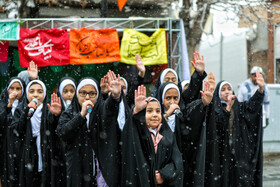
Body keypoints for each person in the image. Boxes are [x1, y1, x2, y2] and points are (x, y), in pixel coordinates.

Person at [56, 71, 122, 187]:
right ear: (77, 94)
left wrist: (115, 96)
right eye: (83, 93)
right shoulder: (69, 112)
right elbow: (63, 132)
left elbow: (110, 110)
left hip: (100, 170)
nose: (87, 97)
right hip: (77, 169)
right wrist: (81, 115)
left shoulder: (101, 109)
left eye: (92, 93)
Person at [204, 72, 265, 187]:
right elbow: (217, 126)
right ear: (218, 93)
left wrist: (260, 89)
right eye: (223, 89)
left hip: (237, 154)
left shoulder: (239, 107)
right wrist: (227, 108)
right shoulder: (213, 108)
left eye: (229, 89)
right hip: (220, 154)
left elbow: (252, 107)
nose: (227, 92)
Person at [121, 85, 183, 186]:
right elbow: (129, 132)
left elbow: (177, 162)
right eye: (149, 111)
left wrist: (164, 175)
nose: (154, 114)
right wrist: (137, 112)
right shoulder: (138, 135)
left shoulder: (167, 136)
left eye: (158, 111)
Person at [155, 81, 213, 186]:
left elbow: (193, 124)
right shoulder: (154, 115)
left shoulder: (181, 116)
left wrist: (204, 104)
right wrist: (167, 115)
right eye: (168, 98)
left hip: (179, 170)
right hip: (159, 168)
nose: (172, 102)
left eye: (175, 98)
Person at [10, 80, 62, 187]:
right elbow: (17, 131)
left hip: (46, 150)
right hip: (27, 151)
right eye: (32, 91)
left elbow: (57, 130)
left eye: (39, 92)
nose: (35, 95)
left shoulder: (48, 108)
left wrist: (56, 115)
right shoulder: (21, 108)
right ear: (27, 94)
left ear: (44, 94)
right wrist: (26, 112)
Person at [0, 77, 26, 186]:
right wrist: (9, 105)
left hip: (22, 145)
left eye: (18, 88)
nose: (15, 91)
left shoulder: (25, 105)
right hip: (6, 146)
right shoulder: (2, 104)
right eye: (12, 88)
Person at [54, 77, 77, 186]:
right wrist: (55, 115)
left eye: (72, 91)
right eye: (65, 91)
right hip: (59, 154)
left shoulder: (79, 108)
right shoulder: (55, 107)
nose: (69, 94)